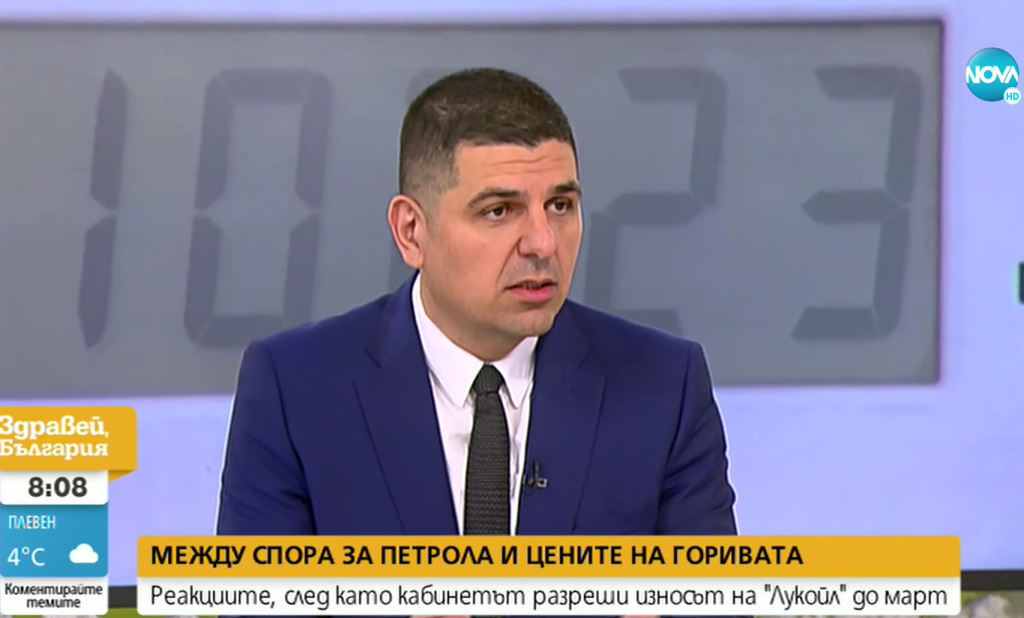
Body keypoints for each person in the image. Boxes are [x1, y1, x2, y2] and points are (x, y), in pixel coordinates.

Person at [216, 67, 738, 541]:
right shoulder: (295, 390)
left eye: (560, 205)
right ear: (412, 231)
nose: (543, 243)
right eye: (499, 211)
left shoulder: (664, 387)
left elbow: (707, 597)